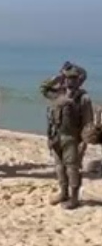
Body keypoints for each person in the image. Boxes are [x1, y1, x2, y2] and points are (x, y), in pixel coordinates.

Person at [40, 67, 94, 209]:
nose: (70, 81)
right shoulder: (57, 94)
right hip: (55, 137)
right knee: (59, 167)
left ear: (79, 81)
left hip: (72, 138)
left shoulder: (83, 98)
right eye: (68, 78)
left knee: (72, 168)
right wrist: (55, 79)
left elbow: (88, 122)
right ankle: (63, 193)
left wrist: (84, 142)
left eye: (74, 78)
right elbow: (43, 89)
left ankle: (74, 198)